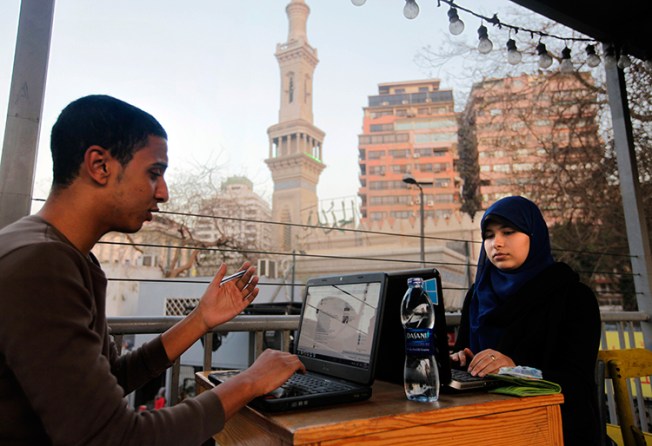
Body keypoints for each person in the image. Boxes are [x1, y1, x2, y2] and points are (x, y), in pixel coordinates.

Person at [0, 95, 305, 445]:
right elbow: (112, 438)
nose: (164, 193)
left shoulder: (65, 255)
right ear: (100, 166)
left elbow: (113, 376)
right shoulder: (40, 266)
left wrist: (200, 320)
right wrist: (250, 382)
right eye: (153, 173)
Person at [450, 195, 601, 446]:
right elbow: (468, 355)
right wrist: (460, 360)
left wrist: (515, 370)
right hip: (482, 420)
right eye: (488, 235)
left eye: (508, 231)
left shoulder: (573, 296)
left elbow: (576, 379)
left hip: (553, 425)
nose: (496, 243)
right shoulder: (477, 296)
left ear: (535, 235)